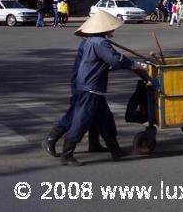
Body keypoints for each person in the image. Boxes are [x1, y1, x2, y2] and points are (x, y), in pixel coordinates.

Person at [45, 11, 147, 166]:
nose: (113, 29)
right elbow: (115, 59)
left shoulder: (90, 41)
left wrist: (130, 64)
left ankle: (115, 151)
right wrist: (133, 64)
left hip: (91, 86)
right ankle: (67, 154)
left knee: (105, 119)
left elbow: (103, 64)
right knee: (81, 120)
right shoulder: (100, 43)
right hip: (90, 87)